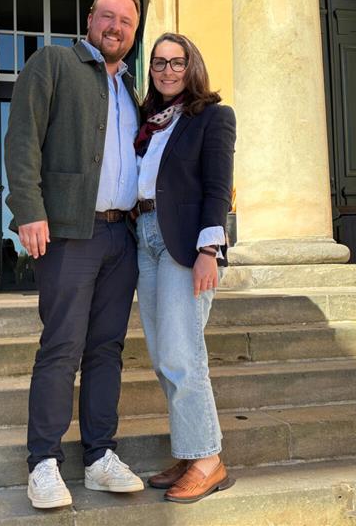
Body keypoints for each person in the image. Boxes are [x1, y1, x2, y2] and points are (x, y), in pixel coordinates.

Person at [4, 0, 145, 510]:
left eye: (125, 21)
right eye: (107, 16)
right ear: (90, 19)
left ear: (133, 30)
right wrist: (30, 211)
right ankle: (43, 461)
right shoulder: (54, 62)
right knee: (62, 345)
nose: (115, 27)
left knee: (107, 349)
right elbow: (21, 139)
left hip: (120, 236)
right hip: (70, 231)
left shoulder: (132, 89)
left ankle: (100, 457)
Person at [131, 33, 236, 503]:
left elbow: (218, 187)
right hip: (145, 237)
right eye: (159, 63)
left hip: (186, 244)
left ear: (192, 66)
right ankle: (192, 448)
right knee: (162, 355)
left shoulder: (214, 116)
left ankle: (208, 460)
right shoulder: (149, 122)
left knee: (182, 353)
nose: (167, 70)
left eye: (177, 62)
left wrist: (208, 251)